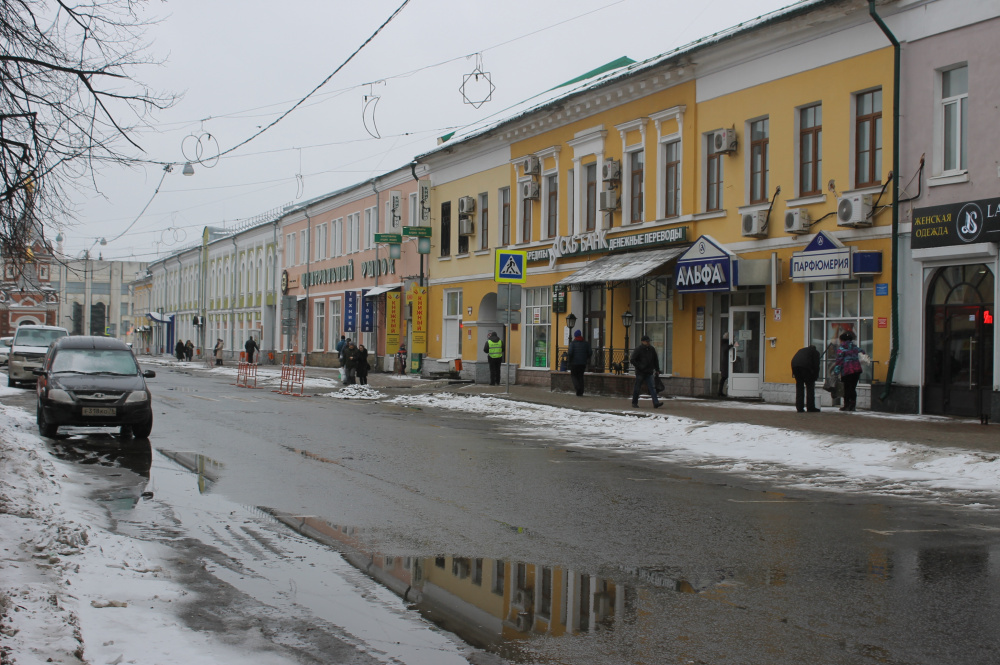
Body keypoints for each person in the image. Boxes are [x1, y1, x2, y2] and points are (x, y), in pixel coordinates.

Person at [833, 330, 863, 412]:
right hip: (857, 370)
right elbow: (863, 352)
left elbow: (839, 361)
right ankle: (852, 405)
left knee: (846, 388)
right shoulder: (855, 347)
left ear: (842, 340)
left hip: (847, 371)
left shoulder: (841, 349)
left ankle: (846, 405)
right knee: (852, 388)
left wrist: (836, 372)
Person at [630, 335, 663, 408]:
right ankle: (634, 402)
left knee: (652, 388)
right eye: (647, 341)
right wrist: (640, 366)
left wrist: (657, 369)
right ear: (643, 342)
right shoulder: (638, 349)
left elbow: (655, 360)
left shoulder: (652, 349)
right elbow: (632, 359)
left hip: (649, 372)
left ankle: (656, 403)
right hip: (640, 372)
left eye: (649, 341)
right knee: (637, 387)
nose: (648, 342)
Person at [791, 345, 821, 413]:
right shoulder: (815, 352)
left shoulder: (801, 350)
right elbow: (816, 366)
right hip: (805, 367)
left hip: (795, 366)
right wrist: (815, 376)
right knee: (810, 387)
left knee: (799, 387)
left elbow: (795, 359)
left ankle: (799, 407)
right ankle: (810, 407)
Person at [567, 330, 592, 396]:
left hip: (574, 363)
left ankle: (577, 387)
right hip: (583, 363)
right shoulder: (586, 343)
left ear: (575, 336)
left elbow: (570, 353)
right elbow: (590, 352)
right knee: (580, 376)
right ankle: (580, 392)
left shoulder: (573, 343)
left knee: (574, 376)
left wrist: (569, 361)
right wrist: (586, 358)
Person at [719, 332, 733, 397]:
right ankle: (720, 392)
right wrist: (731, 346)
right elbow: (725, 349)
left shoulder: (724, 342)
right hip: (726, 363)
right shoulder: (725, 343)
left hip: (727, 362)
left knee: (724, 378)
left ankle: (720, 392)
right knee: (724, 378)